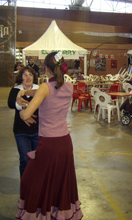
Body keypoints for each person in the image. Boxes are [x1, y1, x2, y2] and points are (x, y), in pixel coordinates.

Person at [15, 52, 83, 220]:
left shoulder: (45, 87)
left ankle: (39, 212)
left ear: (46, 69)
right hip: (65, 143)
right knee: (59, 181)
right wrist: (28, 94)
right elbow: (47, 94)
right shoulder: (69, 87)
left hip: (49, 144)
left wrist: (24, 110)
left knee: (30, 178)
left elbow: (27, 114)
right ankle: (57, 211)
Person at [8, 66, 39, 177]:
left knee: (37, 161)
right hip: (21, 131)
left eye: (30, 75)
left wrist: (24, 111)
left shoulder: (39, 90)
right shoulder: (16, 90)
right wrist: (21, 109)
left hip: (37, 131)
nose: (28, 78)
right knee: (25, 160)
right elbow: (11, 104)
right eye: (25, 75)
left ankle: (35, 186)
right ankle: (25, 187)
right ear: (21, 77)